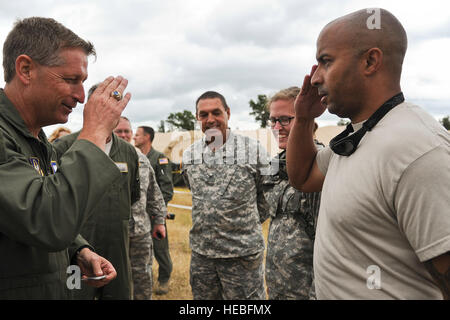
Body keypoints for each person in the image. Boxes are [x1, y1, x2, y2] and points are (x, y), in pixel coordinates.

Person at [287, 8, 450, 299]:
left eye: (325, 62)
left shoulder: (418, 150)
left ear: (370, 61)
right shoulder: (357, 136)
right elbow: (302, 178)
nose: (314, 78)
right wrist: (302, 119)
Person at [0, 17, 130, 299]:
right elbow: (46, 220)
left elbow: (28, 216)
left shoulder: (35, 139)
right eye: (71, 80)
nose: (82, 96)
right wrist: (94, 133)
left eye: (83, 82)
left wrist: (77, 249)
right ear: (25, 69)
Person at [182, 91, 272, 300]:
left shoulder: (253, 150)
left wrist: (244, 225)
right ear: (197, 118)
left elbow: (267, 194)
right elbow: (193, 192)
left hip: (241, 255)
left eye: (216, 112)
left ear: (228, 113)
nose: (210, 119)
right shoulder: (189, 155)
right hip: (202, 255)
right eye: (203, 115)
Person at [54, 85, 140, 300]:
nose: (109, 110)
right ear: (89, 108)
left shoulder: (128, 151)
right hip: (78, 245)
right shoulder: (63, 147)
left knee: (118, 294)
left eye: (114, 105)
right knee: (75, 294)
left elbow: (133, 194)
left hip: (117, 243)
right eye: (102, 104)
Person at [264, 87, 322, 300]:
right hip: (279, 287)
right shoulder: (276, 166)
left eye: (285, 120)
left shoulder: (321, 168)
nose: (277, 127)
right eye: (273, 120)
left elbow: (329, 244)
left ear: (309, 121)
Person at [114, 116, 168, 300]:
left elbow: (154, 195)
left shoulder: (142, 160)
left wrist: (159, 222)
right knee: (115, 280)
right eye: (118, 131)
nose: (123, 135)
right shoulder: (101, 158)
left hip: (140, 233)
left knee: (143, 277)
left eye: (127, 131)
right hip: (112, 235)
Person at [134, 125, 174, 295]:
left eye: (137, 135)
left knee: (160, 249)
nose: (134, 137)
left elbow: (166, 189)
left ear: (147, 137)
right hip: (139, 216)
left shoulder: (160, 158)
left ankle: (164, 279)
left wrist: (156, 210)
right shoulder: (134, 156)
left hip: (154, 213)